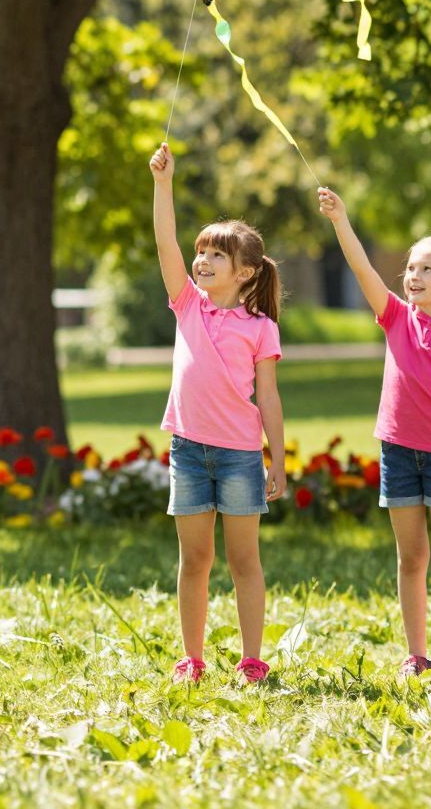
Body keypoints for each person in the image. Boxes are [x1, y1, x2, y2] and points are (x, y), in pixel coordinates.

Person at [318, 187, 431, 680]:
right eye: (411, 268)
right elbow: (361, 268)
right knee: (411, 557)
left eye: (426, 269)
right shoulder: (394, 316)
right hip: (398, 453)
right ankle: (417, 655)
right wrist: (340, 220)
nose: (413, 276)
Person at [148, 143, 284, 686]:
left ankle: (252, 660)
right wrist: (163, 186)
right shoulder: (187, 302)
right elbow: (164, 242)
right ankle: (193, 659)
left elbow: (269, 398)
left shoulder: (260, 328)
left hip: (240, 457)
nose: (200, 261)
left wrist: (276, 459)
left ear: (246, 272)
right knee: (195, 560)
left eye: (215, 256)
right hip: (188, 450)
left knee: (243, 561)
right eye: (200, 252)